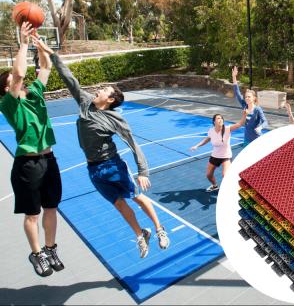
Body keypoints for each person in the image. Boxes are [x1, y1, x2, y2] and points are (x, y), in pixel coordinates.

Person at [33, 38, 170, 259]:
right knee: (118, 203)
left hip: (113, 165)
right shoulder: (86, 102)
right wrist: (52, 54)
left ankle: (158, 228)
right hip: (93, 169)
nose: (99, 89)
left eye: (104, 89)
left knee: (135, 196)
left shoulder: (115, 119)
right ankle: (140, 233)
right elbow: (70, 79)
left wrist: (143, 171)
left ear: (111, 99)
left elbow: (133, 144)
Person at [0, 22, 64, 277]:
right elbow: (17, 74)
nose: (22, 81)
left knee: (51, 208)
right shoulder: (9, 104)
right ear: (7, 89)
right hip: (27, 165)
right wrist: (24, 43)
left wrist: (39, 45)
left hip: (49, 160)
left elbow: (46, 66)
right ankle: (36, 253)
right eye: (14, 82)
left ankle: (50, 249)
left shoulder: (36, 93)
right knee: (32, 214)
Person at [190, 111, 246, 192]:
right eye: (218, 118)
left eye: (221, 118)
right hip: (215, 156)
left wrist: (244, 115)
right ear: (214, 121)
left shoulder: (227, 129)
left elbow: (239, 124)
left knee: (225, 175)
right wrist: (197, 146)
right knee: (209, 175)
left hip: (226, 156)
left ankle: (233, 189)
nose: (220, 119)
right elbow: (208, 139)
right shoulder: (211, 130)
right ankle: (215, 186)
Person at [231, 66, 268, 145]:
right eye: (246, 97)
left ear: (254, 98)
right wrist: (234, 77)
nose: (247, 98)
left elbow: (265, 122)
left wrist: (260, 127)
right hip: (247, 139)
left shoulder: (257, 109)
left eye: (249, 97)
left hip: (256, 140)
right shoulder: (244, 105)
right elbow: (237, 93)